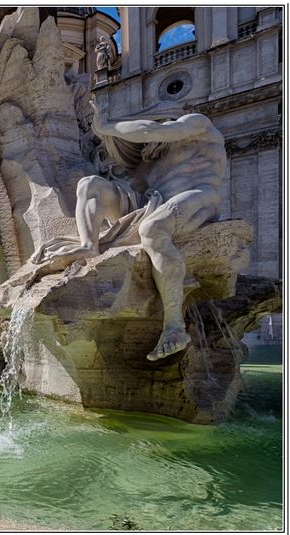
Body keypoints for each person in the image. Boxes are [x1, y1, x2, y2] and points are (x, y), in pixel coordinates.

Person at [32, 99, 226, 361]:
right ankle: (89, 246)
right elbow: (133, 185)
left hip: (199, 196)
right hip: (154, 202)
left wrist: (108, 127)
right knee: (90, 184)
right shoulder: (152, 161)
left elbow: (155, 131)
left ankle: (174, 327)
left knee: (153, 228)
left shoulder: (198, 124)